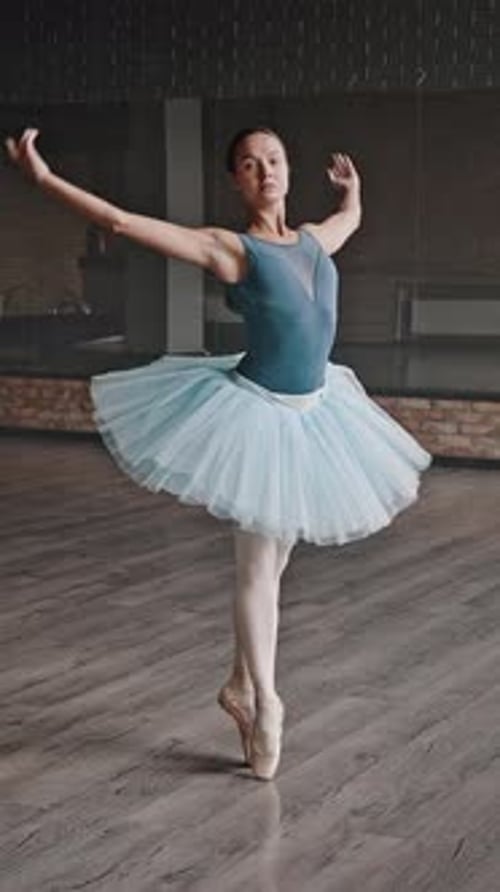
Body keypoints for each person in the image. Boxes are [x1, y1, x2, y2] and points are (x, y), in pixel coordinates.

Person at [6, 126, 431, 781]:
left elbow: (350, 218)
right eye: (250, 164)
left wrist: (354, 193)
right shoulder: (232, 250)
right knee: (259, 570)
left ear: (289, 171)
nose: (265, 171)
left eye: (275, 160)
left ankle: (237, 682)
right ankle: (265, 704)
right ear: (235, 180)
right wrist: (44, 181)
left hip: (319, 414)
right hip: (259, 419)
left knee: (279, 556)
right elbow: (121, 221)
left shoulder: (319, 240)